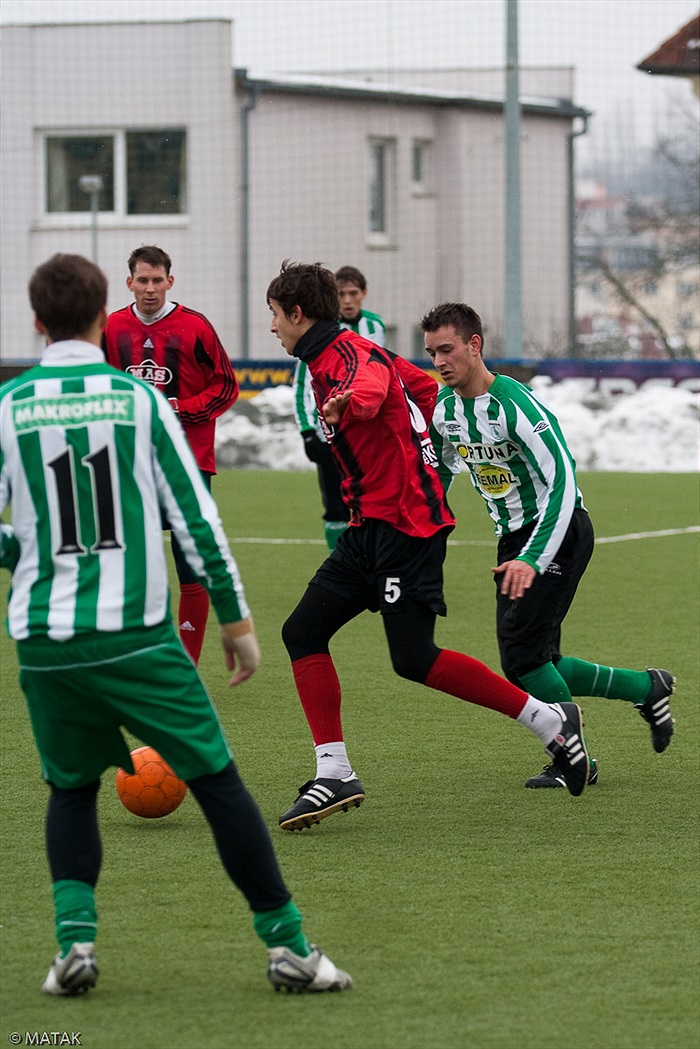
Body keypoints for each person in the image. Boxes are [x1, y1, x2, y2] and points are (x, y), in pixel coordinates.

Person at [0, 253, 351, 996]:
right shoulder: (136, 401)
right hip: (134, 632)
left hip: (44, 637)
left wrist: (22, 550)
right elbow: (193, 516)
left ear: (35, 322)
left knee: (70, 790)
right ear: (105, 318)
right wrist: (235, 616)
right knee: (220, 783)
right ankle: (287, 945)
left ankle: (73, 948)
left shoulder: (10, 404)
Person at [267, 260, 593, 833]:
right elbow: (414, 384)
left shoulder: (346, 355)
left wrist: (354, 405)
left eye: (274, 315)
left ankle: (550, 725)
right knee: (303, 631)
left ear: (297, 314)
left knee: (414, 658)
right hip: (369, 526)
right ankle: (334, 771)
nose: (272, 328)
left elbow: (368, 384)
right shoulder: (341, 354)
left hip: (406, 529)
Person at [423, 302, 675, 788]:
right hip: (514, 538)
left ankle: (573, 757)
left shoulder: (517, 406)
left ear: (475, 346)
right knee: (539, 659)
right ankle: (647, 687)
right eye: (432, 352)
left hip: (557, 530)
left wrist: (533, 557)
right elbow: (441, 470)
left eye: (447, 349)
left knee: (521, 656)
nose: (438, 361)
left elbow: (562, 483)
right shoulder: (447, 410)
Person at [102, 245, 238, 665]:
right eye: (142, 280)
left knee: (189, 566)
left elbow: (226, 386)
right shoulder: (112, 328)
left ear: (170, 282)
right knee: (128, 565)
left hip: (188, 464)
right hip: (132, 463)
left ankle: (187, 665)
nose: (149, 289)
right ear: (129, 283)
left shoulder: (195, 327)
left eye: (157, 280)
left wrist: (181, 410)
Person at [292, 266, 386, 551]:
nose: (347, 300)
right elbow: (301, 385)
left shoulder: (376, 326)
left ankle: (368, 559)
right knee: (335, 505)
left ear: (363, 294)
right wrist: (308, 432)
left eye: (353, 293)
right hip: (329, 434)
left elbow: (382, 373)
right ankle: (338, 561)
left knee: (370, 501)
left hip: (367, 435)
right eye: (341, 294)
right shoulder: (320, 330)